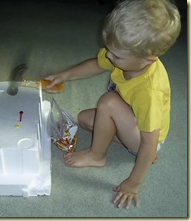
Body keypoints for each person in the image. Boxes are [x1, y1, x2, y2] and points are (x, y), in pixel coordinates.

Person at [45, 0, 181, 209]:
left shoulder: (149, 91)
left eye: (115, 55)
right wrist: (65, 75)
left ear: (149, 59)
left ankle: (96, 156)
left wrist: (134, 183)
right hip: (131, 122)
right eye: (109, 50)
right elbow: (95, 64)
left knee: (107, 103)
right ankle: (128, 146)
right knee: (85, 119)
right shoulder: (124, 54)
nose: (109, 56)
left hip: (146, 139)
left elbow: (149, 140)